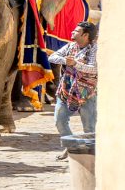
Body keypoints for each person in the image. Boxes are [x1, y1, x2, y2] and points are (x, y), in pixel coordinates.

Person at [48, 21, 99, 160]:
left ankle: (91, 156)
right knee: (59, 120)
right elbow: (52, 57)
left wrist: (75, 64)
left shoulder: (95, 49)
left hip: (88, 93)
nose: (72, 33)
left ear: (85, 35)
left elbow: (93, 68)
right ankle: (72, 146)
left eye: (76, 31)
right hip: (66, 90)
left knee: (89, 127)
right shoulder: (71, 46)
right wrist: (65, 60)